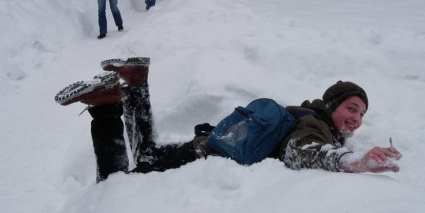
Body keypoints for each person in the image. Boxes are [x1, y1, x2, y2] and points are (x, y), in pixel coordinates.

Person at [54, 58, 402, 182]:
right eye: (352, 108)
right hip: (207, 156)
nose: (356, 118)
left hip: (210, 148)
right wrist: (349, 160)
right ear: (333, 105)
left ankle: (135, 82)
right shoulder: (315, 125)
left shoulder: (311, 116)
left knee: (146, 153)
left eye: (362, 114)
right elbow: (301, 151)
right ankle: (108, 103)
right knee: (122, 179)